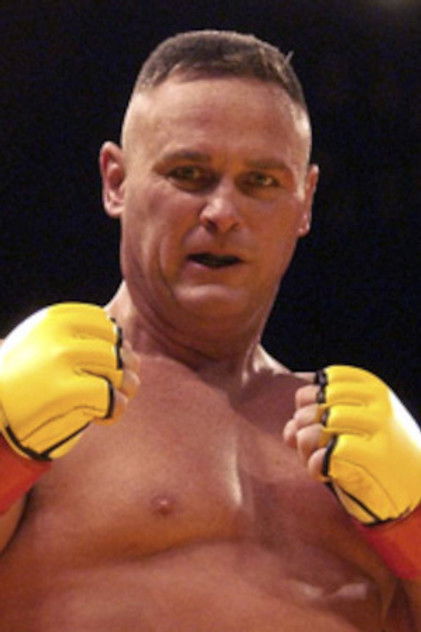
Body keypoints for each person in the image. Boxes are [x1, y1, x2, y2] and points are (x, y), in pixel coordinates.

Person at [0, 30, 420, 632]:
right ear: (116, 181)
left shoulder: (365, 443)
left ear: (305, 200)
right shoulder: (32, 403)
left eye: (261, 182)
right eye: (190, 173)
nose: (222, 213)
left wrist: (414, 524)